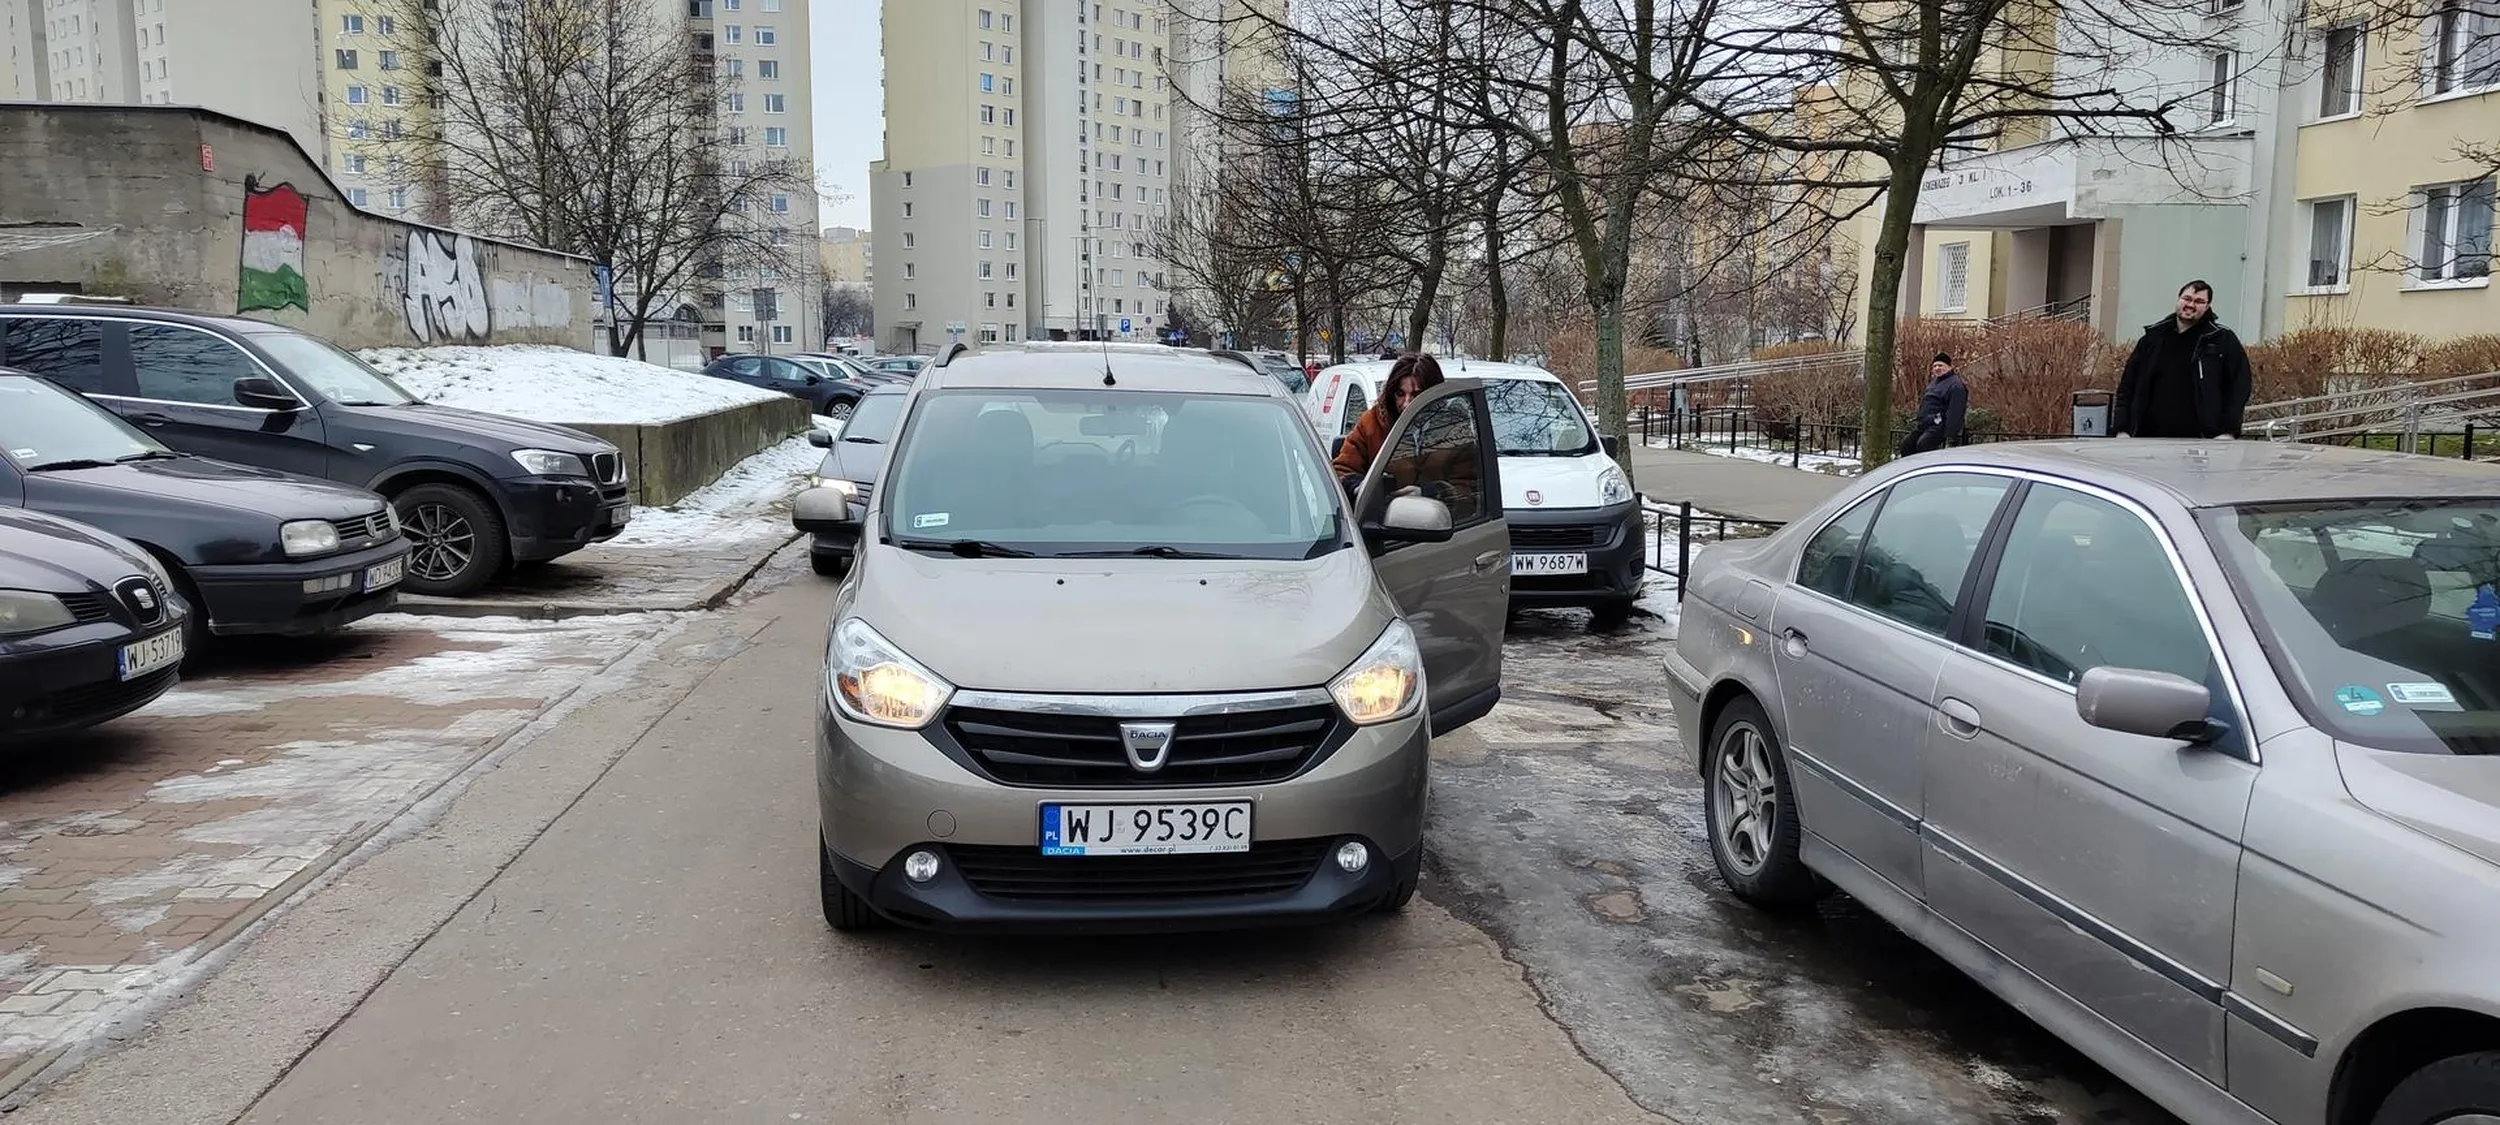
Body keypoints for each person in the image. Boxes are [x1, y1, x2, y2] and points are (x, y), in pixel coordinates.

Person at [2112, 280, 2253, 439]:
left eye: (2199, 301)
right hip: (2147, 440)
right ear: (2178, 299)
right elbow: (2127, 387)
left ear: (2207, 307)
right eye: (2187, 298)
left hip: (2201, 442)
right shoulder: (2153, 339)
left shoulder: (2222, 339)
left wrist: (2228, 431)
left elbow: (2240, 387)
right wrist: (2121, 428)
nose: (2191, 304)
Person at [1332, 352, 1444, 494]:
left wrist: (1428, 493)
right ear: (1392, 393)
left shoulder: (1456, 427)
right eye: (1400, 394)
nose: (1407, 403)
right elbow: (1342, 471)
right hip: (1382, 514)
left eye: (1416, 395)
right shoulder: (1372, 423)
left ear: (1434, 394)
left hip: (1441, 515)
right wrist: (1363, 489)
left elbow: (1470, 488)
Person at [1898, 353, 1969, 457]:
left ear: (1949, 367)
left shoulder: (1956, 385)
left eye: (1940, 365)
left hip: (1940, 426)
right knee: (1907, 445)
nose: (1937, 368)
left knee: (1924, 444)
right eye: (1935, 366)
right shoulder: (1934, 382)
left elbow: (1956, 412)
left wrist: (1951, 436)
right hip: (1926, 424)